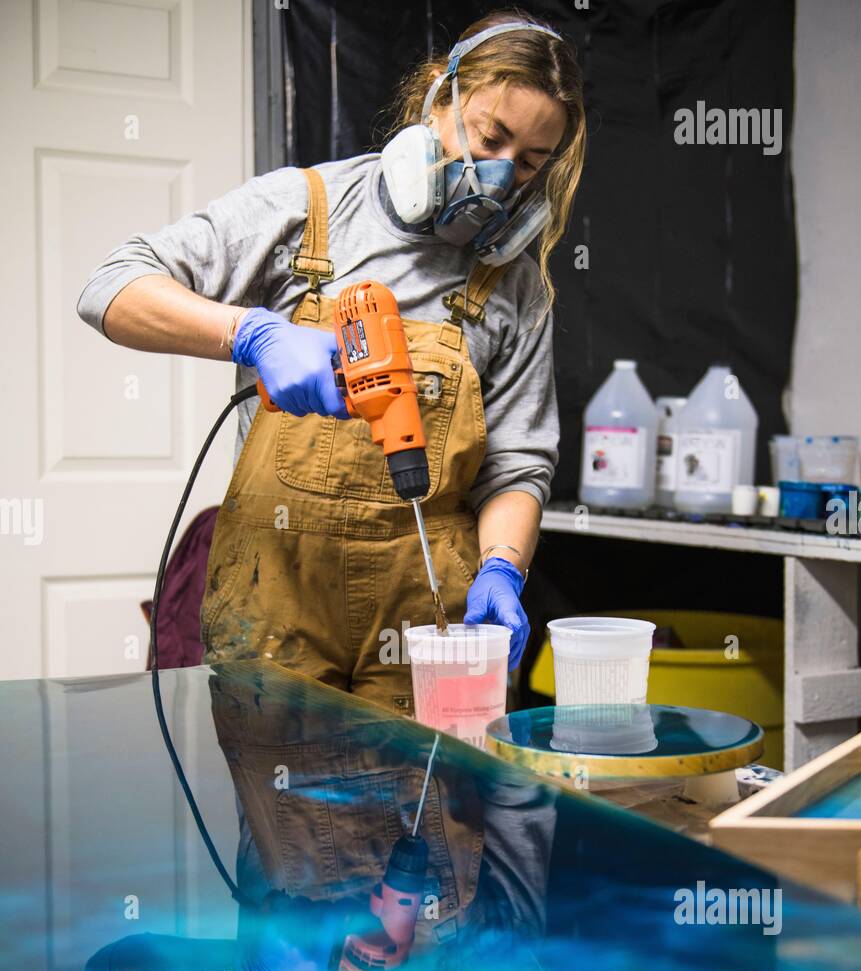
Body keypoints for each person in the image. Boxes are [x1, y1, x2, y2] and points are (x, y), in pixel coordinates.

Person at [77, 9, 586, 713]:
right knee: (285, 812)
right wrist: (250, 332)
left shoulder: (516, 285)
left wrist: (502, 568)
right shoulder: (302, 210)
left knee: (432, 810)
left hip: (428, 609)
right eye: (489, 135)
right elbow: (111, 288)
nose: (500, 177)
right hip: (277, 591)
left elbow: (519, 465)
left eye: (530, 162)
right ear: (439, 96)